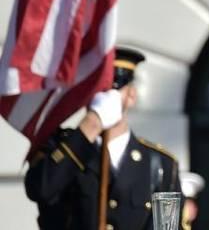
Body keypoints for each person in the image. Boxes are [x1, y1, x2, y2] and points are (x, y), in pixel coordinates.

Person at [24, 47, 181, 230]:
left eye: (112, 89)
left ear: (131, 96)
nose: (103, 98)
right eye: (95, 90)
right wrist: (91, 125)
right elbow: (41, 190)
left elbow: (168, 227)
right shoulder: (58, 148)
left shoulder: (162, 165)